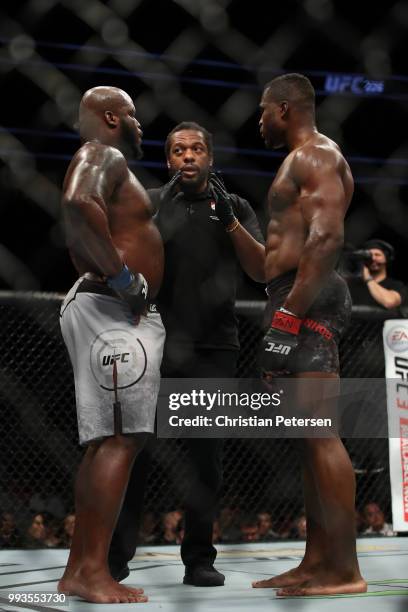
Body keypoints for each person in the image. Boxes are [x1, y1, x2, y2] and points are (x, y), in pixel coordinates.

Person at [109, 121, 265, 587]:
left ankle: (199, 558)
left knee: (205, 460)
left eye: (198, 149)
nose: (189, 157)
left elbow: (260, 269)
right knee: (133, 450)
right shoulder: (151, 203)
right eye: (180, 151)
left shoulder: (234, 205)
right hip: (151, 341)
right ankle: (116, 558)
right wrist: (160, 218)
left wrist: (230, 223)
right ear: (169, 160)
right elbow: (125, 263)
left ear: (210, 157)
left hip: (214, 347)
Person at [251, 74, 366, 596]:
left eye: (262, 112)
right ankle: (316, 560)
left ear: (283, 108)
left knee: (320, 432)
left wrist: (287, 317)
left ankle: (344, 570)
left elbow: (326, 238)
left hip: (306, 298)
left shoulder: (316, 155)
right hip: (291, 294)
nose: (257, 121)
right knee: (307, 436)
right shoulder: (299, 159)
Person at [58, 86, 165, 604]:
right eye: (134, 116)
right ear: (111, 116)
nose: (141, 126)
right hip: (112, 310)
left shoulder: (105, 160)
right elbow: (80, 203)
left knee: (109, 440)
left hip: (107, 309)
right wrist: (123, 277)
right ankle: (91, 572)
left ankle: (82, 569)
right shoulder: (105, 153)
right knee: (121, 439)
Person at [346, 240, 407, 310]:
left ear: (386, 259)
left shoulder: (396, 285)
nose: (373, 258)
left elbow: (390, 302)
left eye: (377, 255)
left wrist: (368, 278)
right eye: (369, 256)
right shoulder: (351, 285)